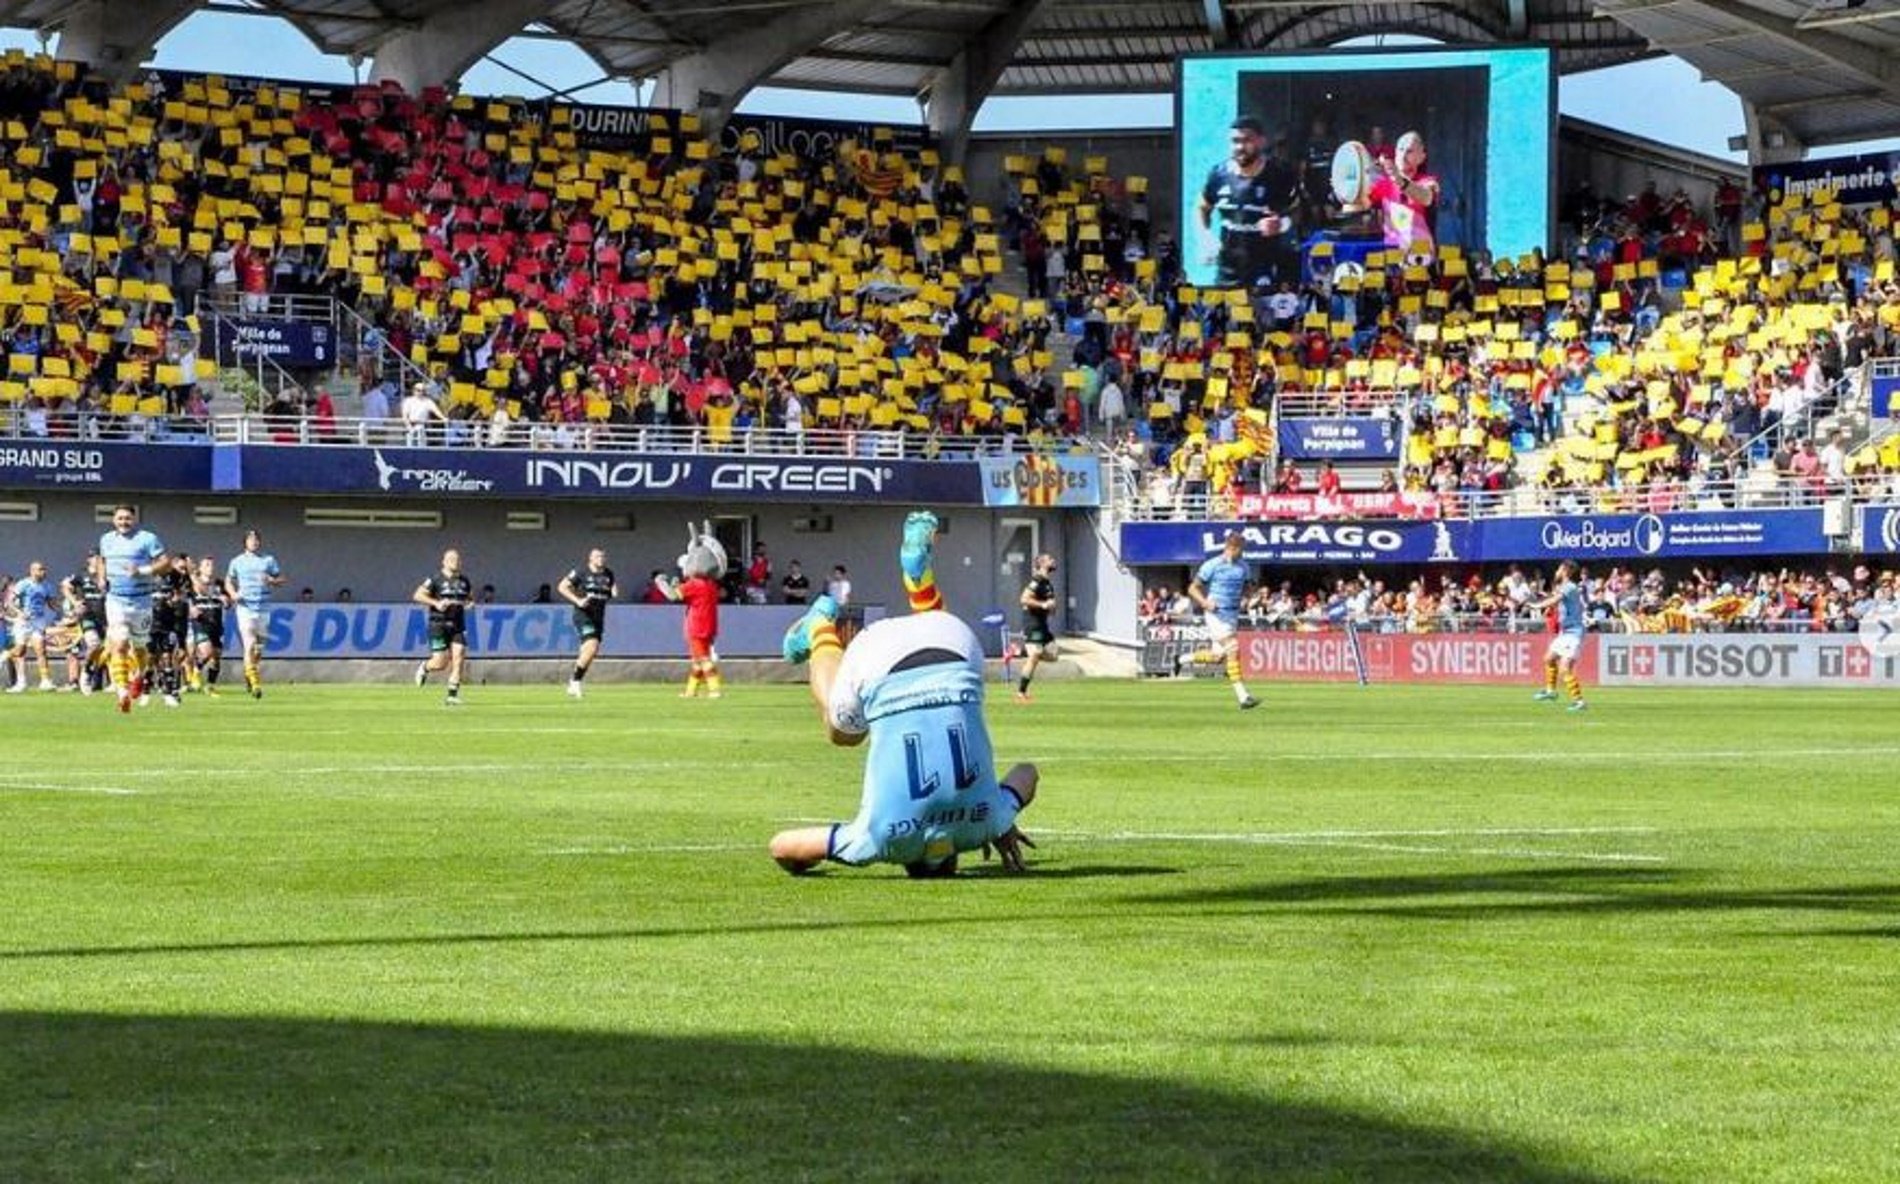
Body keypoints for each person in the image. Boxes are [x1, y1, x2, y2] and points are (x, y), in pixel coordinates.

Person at [772, 511, 1038, 877]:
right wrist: (821, 856)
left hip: (955, 643)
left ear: (954, 859)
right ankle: (819, 628)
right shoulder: (876, 842)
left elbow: (1028, 773)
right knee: (841, 732)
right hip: (881, 660)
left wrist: (1000, 822)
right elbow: (782, 846)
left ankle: (917, 580)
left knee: (935, 640)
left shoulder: (986, 822)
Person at [1196, 115, 1298, 290]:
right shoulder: (1219, 174)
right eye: (1235, 141)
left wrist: (1282, 224)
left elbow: (1299, 211)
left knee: (1263, 315)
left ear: (1261, 141)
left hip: (1267, 268)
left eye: (1247, 140)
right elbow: (1202, 206)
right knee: (1224, 315)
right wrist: (1205, 237)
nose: (1240, 147)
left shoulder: (1280, 174)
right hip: (1228, 270)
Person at [98, 504, 168, 714]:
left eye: (127, 518)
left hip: (141, 601)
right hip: (116, 599)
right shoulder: (106, 539)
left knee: (139, 648)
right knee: (118, 644)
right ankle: (122, 692)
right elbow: (102, 561)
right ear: (113, 520)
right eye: (120, 518)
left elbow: (166, 563)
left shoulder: (147, 538)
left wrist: (142, 570)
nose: (124, 522)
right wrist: (101, 577)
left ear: (134, 519)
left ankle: (139, 675)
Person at [1188, 531, 1262, 710]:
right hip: (1216, 615)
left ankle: (1182, 659)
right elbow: (1192, 588)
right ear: (1232, 548)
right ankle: (1243, 697)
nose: (1243, 553)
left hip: (1232, 615)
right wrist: (1205, 602)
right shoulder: (1212, 565)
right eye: (1241, 550)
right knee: (1233, 648)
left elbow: (1248, 588)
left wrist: (1249, 598)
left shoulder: (1243, 566)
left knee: (1218, 657)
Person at [1351, 130, 1439, 260]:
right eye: (1400, 150)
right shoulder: (1383, 184)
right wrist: (1348, 185)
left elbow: (1426, 198)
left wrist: (1399, 179)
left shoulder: (1428, 180)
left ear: (1422, 157)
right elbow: (1360, 204)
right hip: (1392, 252)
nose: (1403, 156)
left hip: (1420, 252)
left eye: (1409, 151)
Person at [225, 529, 285, 700]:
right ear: (245, 542)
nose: (254, 542)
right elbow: (229, 580)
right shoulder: (237, 561)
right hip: (245, 608)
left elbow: (282, 578)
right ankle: (255, 682)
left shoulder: (268, 560)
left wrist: (273, 581)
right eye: (251, 539)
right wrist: (233, 594)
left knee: (259, 649)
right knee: (249, 644)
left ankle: (249, 673)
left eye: (257, 539)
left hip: (264, 608)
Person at [414, 549, 473, 705]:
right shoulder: (434, 579)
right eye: (452, 559)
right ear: (444, 561)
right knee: (440, 662)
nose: (456, 562)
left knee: (459, 657)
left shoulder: (464, 581)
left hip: (458, 625)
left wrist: (470, 604)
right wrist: (436, 603)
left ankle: (452, 696)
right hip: (438, 623)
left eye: (458, 559)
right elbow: (418, 595)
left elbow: (470, 598)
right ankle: (425, 667)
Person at [558, 547, 618, 698]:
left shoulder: (608, 574)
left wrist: (613, 592)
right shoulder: (580, 572)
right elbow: (562, 586)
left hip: (598, 616)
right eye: (598, 556)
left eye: (603, 556)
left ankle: (573, 682)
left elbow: (611, 590)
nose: (601, 559)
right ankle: (575, 682)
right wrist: (578, 600)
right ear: (590, 558)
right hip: (583, 615)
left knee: (589, 651)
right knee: (592, 646)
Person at [671, 535, 724, 700]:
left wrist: (662, 583)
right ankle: (691, 690)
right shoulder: (712, 585)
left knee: (703, 658)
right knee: (697, 661)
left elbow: (674, 596)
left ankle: (714, 689)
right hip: (710, 626)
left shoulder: (694, 584)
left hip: (695, 626)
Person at [1532, 560, 1588, 712]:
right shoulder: (1564, 587)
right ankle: (1551, 691)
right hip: (1565, 632)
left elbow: (1554, 600)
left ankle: (1579, 702)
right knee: (1549, 659)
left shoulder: (1570, 586)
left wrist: (1537, 605)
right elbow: (1555, 599)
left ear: (1565, 570)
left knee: (1565, 667)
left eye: (1558, 568)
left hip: (1574, 632)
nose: (1556, 571)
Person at [6, 560, 61, 693]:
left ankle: (45, 680)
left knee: (41, 649)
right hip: (23, 621)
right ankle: (20, 681)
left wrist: (65, 611)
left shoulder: (47, 586)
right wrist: (20, 613)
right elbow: (10, 602)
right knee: (20, 651)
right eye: (40, 569)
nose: (43, 572)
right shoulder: (23, 584)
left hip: (38, 620)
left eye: (44, 569)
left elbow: (52, 604)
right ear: (32, 571)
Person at [1015, 553, 1059, 704]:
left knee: (1053, 655)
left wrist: (1052, 608)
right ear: (1041, 564)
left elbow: (1049, 606)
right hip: (1033, 624)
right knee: (1035, 655)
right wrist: (1043, 605)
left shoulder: (1048, 583)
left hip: (1043, 625)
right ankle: (1021, 693)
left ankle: (1021, 650)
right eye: (1050, 559)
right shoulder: (1037, 580)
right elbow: (1024, 599)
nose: (1053, 560)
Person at [188, 555, 228, 696]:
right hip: (201, 622)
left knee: (216, 657)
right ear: (200, 568)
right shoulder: (193, 583)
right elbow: (187, 598)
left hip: (216, 623)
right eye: (207, 565)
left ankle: (210, 686)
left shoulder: (219, 584)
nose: (210, 568)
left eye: (212, 565)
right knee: (207, 652)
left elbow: (228, 601)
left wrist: (226, 600)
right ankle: (196, 673)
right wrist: (190, 608)